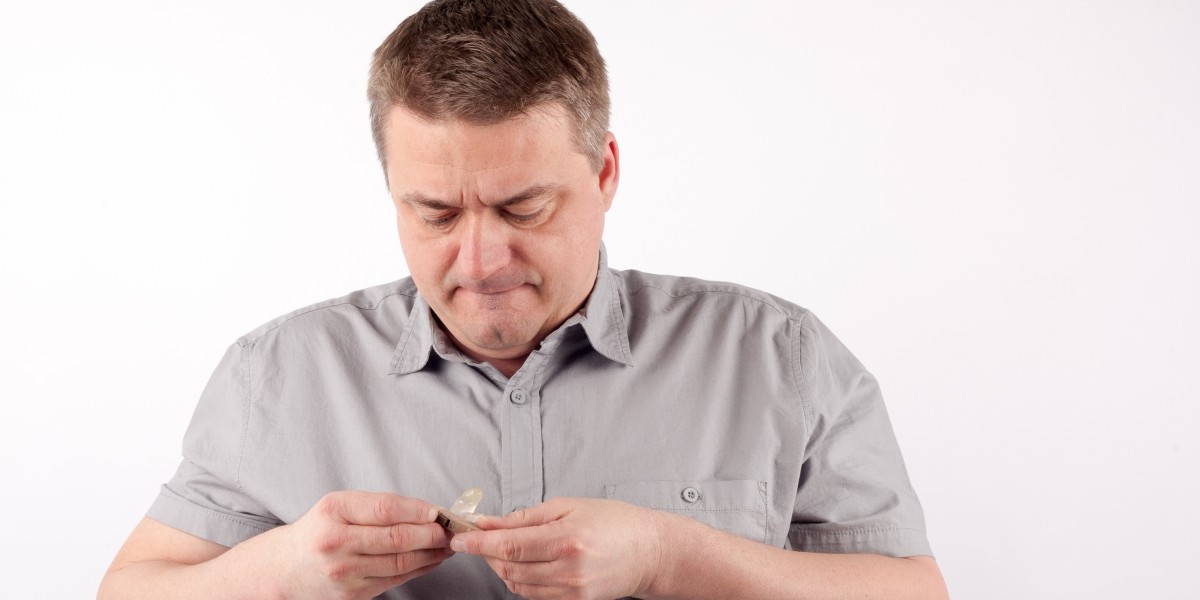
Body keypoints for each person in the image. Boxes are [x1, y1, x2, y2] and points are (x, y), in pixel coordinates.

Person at [99, 0, 947, 598]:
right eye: (434, 212)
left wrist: (664, 556)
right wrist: (281, 573)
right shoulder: (277, 373)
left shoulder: (778, 356)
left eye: (523, 208)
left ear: (604, 171)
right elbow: (129, 591)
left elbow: (912, 592)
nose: (480, 259)